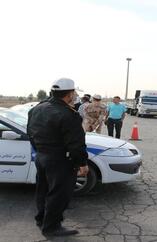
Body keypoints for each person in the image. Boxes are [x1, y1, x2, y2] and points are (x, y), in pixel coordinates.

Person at [27, 78, 89, 237]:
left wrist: (41, 150)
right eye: (74, 92)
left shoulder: (37, 108)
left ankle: (41, 219)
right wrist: (82, 163)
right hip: (60, 161)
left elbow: (31, 134)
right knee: (59, 194)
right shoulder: (68, 114)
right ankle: (52, 227)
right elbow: (76, 143)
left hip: (42, 157)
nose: (75, 95)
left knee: (43, 190)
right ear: (68, 95)